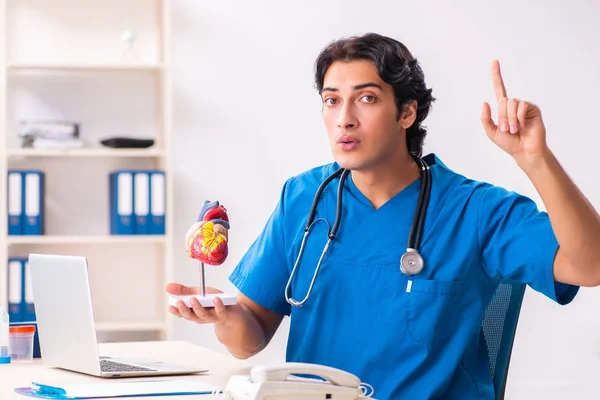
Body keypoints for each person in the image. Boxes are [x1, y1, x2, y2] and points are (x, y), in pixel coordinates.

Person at [166, 32, 600, 399]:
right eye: (332, 101)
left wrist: (535, 158)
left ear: (407, 112)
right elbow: (249, 340)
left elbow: (589, 265)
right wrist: (224, 318)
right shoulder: (304, 199)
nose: (344, 120)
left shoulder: (475, 210)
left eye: (366, 99)